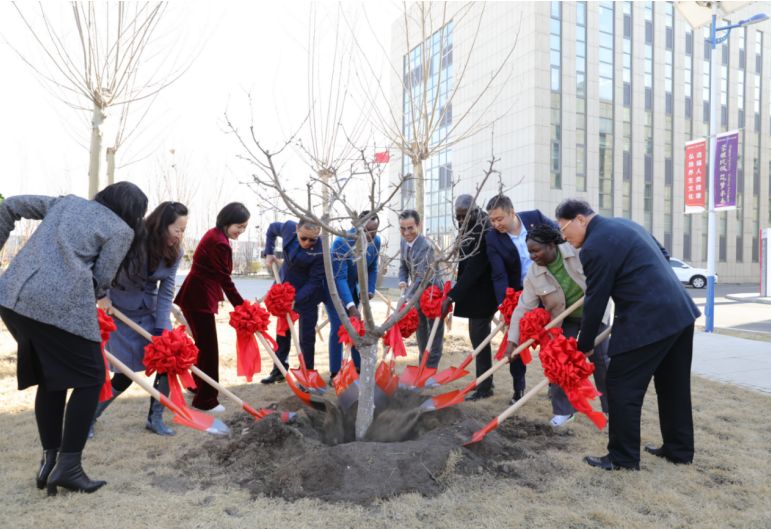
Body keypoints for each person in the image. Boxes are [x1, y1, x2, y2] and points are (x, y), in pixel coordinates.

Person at [0, 182, 148, 495]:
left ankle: (50, 462)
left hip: (11, 297)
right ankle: (68, 468)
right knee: (93, 377)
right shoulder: (121, 230)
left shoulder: (65, 203)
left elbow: (10, 204)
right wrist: (95, 293)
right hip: (56, 306)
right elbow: (100, 280)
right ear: (134, 214)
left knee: (51, 378)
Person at [555, 199, 700, 471]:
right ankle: (678, 450)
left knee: (621, 385)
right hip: (679, 311)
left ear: (580, 219)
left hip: (648, 319)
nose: (564, 238)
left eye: (564, 230)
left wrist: (583, 344)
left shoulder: (594, 247)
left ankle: (622, 458)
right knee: (674, 385)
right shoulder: (625, 224)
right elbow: (663, 254)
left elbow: (596, 300)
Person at [92, 201, 188, 437]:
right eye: (177, 229)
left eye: (183, 230)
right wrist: (102, 294)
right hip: (120, 312)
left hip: (150, 311)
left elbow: (166, 291)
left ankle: (155, 419)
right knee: (124, 375)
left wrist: (161, 327)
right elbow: (102, 265)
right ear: (161, 225)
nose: (180, 235)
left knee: (167, 361)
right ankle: (87, 418)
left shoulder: (176, 252)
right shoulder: (132, 241)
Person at [502, 224, 610, 427]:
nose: (532, 256)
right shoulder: (534, 274)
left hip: (593, 313)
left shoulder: (577, 253)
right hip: (563, 317)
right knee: (557, 361)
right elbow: (522, 308)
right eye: (529, 251)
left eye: (536, 250)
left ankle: (610, 408)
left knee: (602, 359)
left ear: (552, 245)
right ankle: (563, 411)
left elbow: (601, 277)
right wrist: (512, 340)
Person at [174, 202, 249, 413]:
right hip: (199, 297)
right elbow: (225, 279)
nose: (241, 231)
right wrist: (242, 307)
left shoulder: (216, 235)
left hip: (197, 295)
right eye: (239, 226)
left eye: (244, 227)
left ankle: (199, 387)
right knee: (209, 350)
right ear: (227, 220)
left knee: (202, 347)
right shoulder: (220, 243)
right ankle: (206, 400)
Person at [484, 194, 556, 404]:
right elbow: (498, 273)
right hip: (520, 292)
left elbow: (559, 240)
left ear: (512, 213)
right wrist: (504, 304)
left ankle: (553, 384)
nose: (496, 224)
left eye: (500, 219)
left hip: (550, 288)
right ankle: (519, 388)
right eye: (493, 220)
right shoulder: (493, 237)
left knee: (551, 337)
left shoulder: (536, 218)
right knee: (515, 339)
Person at [440, 195, 498, 400]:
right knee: (477, 338)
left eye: (463, 216)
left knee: (479, 338)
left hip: (485, 291)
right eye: (457, 217)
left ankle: (485, 387)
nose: (460, 221)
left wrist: (452, 296)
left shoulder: (484, 229)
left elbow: (475, 268)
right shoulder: (469, 225)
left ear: (474, 211)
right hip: (474, 289)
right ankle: (484, 382)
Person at [260, 218, 326, 384]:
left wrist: (295, 299)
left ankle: (307, 374)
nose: (308, 243)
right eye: (304, 238)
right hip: (283, 288)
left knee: (306, 337)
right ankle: (279, 370)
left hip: (307, 297)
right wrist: (269, 252)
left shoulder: (321, 250)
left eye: (313, 239)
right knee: (282, 333)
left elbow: (315, 281)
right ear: (297, 229)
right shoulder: (288, 228)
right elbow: (272, 229)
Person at [324, 211, 381, 381]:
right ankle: (335, 372)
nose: (371, 235)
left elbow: (372, 268)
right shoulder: (342, 243)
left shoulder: (376, 242)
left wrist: (369, 291)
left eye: (375, 231)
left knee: (357, 328)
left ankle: (358, 367)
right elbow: (339, 278)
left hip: (353, 291)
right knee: (338, 327)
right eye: (367, 231)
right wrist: (350, 306)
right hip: (335, 291)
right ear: (357, 227)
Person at [398, 209, 444, 373]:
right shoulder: (404, 242)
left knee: (434, 332)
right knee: (421, 330)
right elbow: (403, 265)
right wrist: (403, 281)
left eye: (410, 228)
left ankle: (430, 369)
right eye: (403, 229)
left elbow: (420, 278)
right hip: (417, 292)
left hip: (432, 292)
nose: (406, 232)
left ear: (419, 225)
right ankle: (422, 366)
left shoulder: (425, 247)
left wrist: (405, 299)